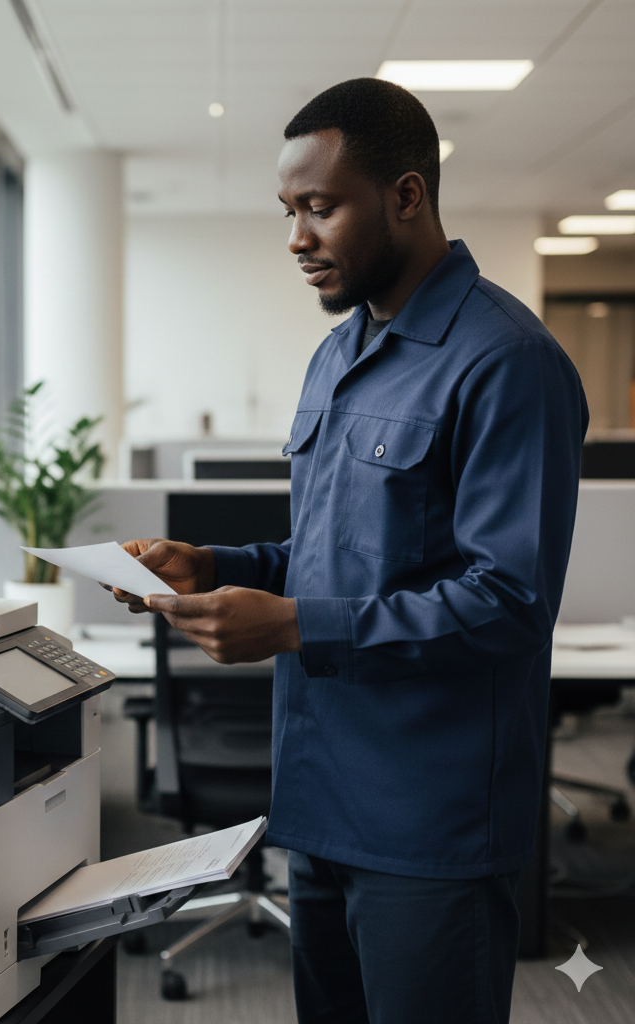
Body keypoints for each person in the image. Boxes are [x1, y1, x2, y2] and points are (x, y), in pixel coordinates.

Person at [112, 78, 588, 1024]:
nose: (296, 238)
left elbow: (508, 599)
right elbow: (335, 552)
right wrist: (222, 567)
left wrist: (292, 624)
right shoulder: (339, 354)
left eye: (319, 208)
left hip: (428, 824)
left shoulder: (507, 361)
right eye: (288, 211)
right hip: (320, 803)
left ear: (406, 197)